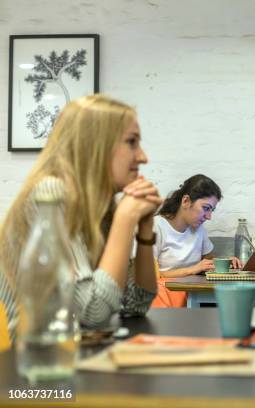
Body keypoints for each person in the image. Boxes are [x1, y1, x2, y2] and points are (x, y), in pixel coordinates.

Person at [0, 94, 162, 339]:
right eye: (131, 142)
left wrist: (145, 231)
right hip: (31, 367)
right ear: (96, 145)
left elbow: (136, 304)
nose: (143, 157)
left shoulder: (99, 206)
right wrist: (125, 219)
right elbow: (93, 311)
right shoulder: (50, 194)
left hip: (70, 359)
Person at [151, 174, 241, 308]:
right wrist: (192, 269)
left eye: (212, 210)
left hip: (194, 294)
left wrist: (226, 262)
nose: (209, 216)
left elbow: (207, 261)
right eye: (206, 208)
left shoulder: (198, 229)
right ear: (186, 201)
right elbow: (153, 276)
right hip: (165, 294)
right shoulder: (156, 227)